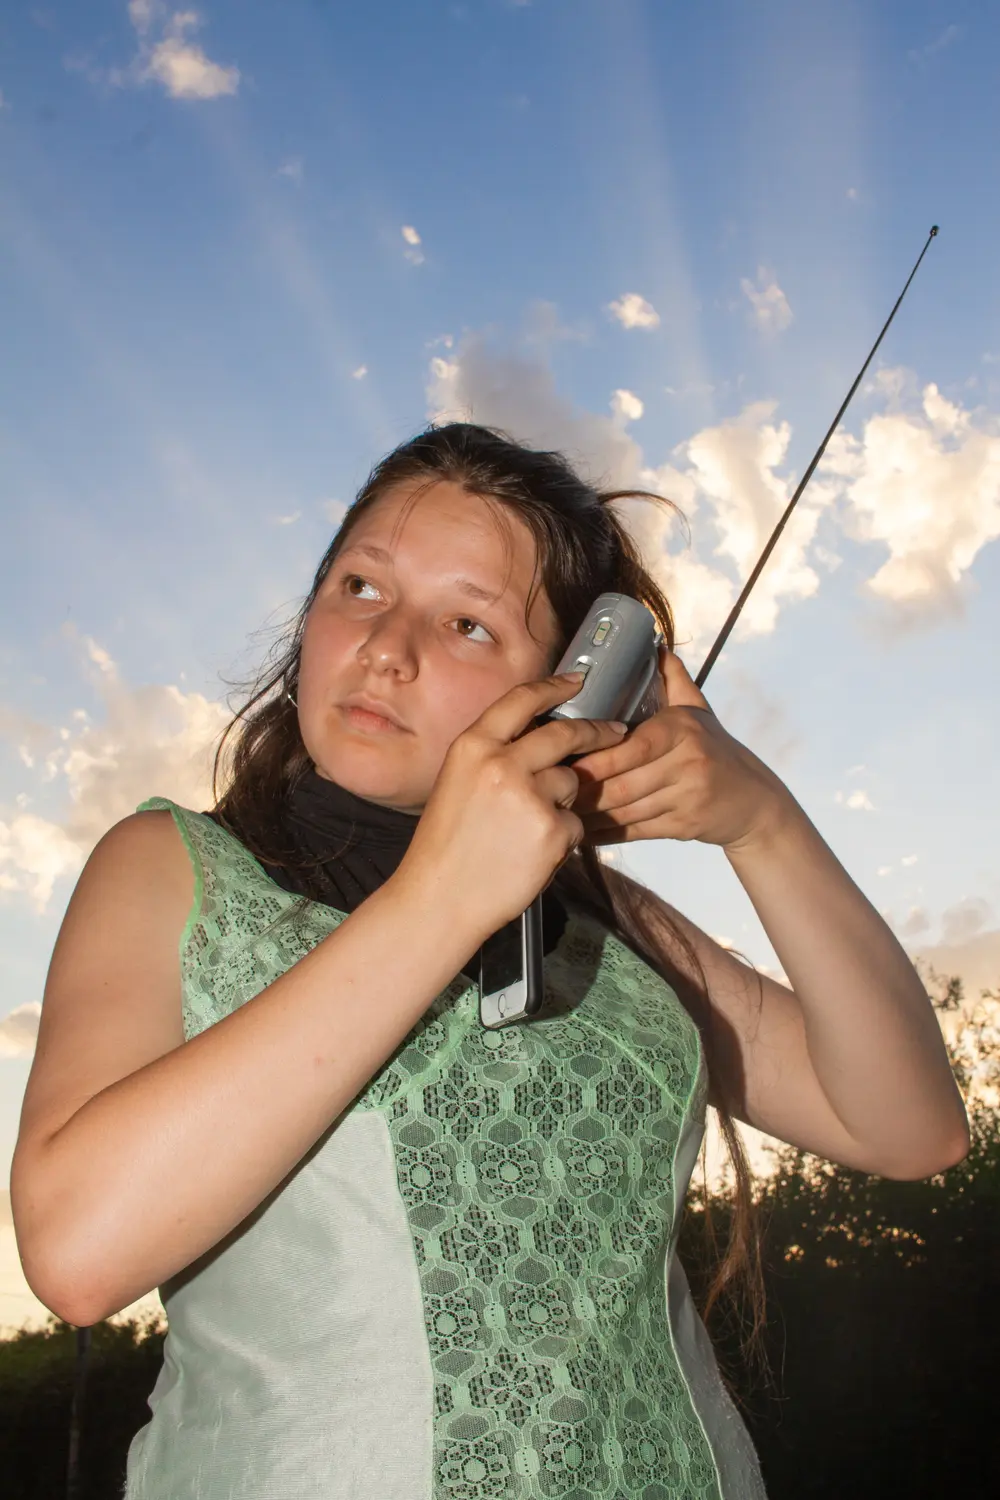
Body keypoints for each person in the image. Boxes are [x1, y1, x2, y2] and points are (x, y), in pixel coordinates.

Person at [12, 423, 968, 1500]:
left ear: (574, 692)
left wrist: (766, 827)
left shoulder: (622, 935)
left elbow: (911, 1128)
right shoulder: (173, 869)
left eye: (467, 622)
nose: (388, 648)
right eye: (361, 587)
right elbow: (79, 1253)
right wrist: (439, 899)